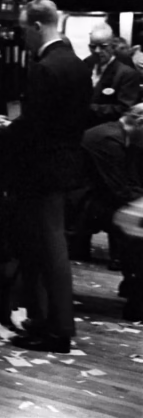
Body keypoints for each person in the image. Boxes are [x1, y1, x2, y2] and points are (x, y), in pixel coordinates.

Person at [0, 0, 91, 353]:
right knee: (49, 247)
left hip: (39, 171)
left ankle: (57, 328)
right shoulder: (76, 64)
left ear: (36, 26)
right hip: (64, 166)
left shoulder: (44, 68)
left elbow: (35, 128)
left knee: (47, 250)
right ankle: (45, 321)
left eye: (21, 29)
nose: (21, 37)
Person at [80, 103, 143, 319]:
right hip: (80, 202)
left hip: (101, 197)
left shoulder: (124, 136)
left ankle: (135, 286)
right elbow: (120, 189)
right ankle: (137, 294)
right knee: (134, 226)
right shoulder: (108, 139)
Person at [85, 23, 140, 126]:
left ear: (112, 47)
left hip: (108, 127)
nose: (97, 51)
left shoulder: (127, 74)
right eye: (93, 46)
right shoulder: (86, 64)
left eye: (103, 46)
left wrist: (88, 108)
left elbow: (124, 109)